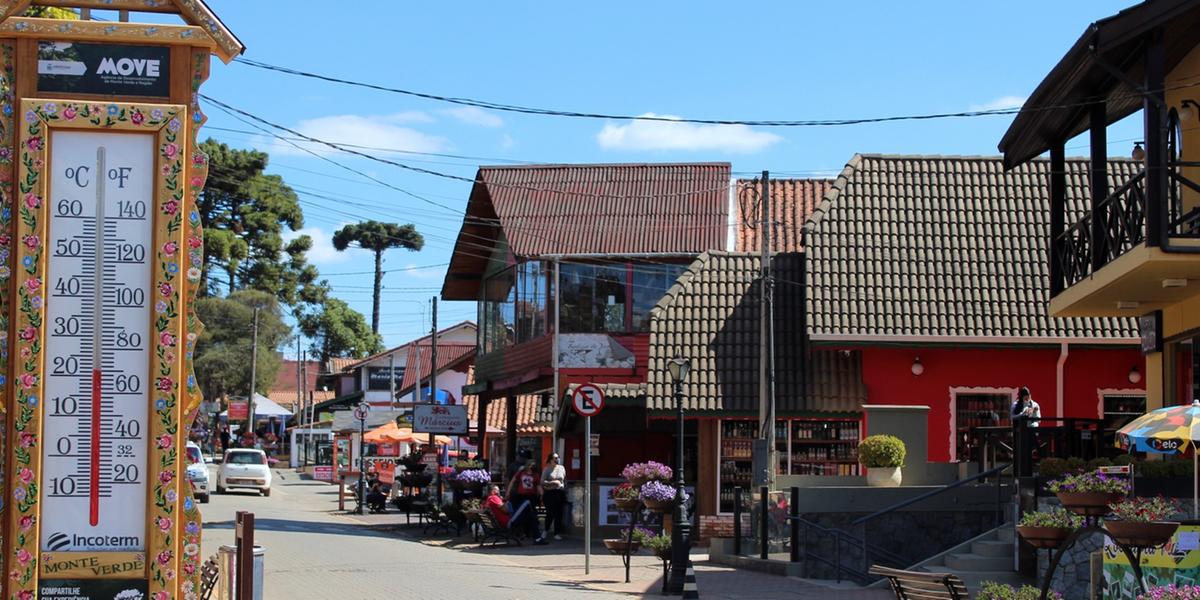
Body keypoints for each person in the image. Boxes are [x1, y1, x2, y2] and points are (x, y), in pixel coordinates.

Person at [541, 453, 567, 540]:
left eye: (558, 457)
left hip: (559, 492)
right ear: (551, 459)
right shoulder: (547, 469)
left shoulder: (562, 468)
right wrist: (552, 482)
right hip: (550, 493)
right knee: (550, 513)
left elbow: (564, 479)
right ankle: (546, 530)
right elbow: (542, 481)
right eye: (555, 458)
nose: (557, 459)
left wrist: (562, 486)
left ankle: (557, 533)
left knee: (559, 513)